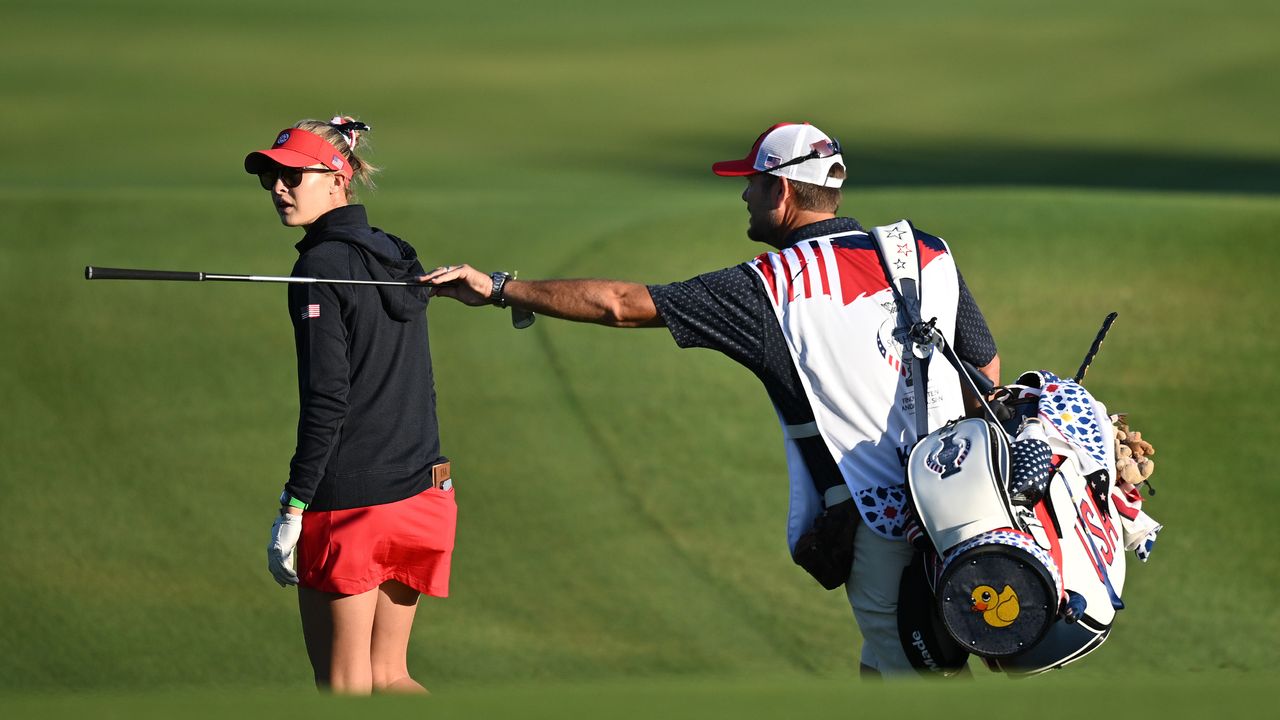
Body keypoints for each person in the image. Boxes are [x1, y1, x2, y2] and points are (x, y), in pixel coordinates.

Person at [423, 122, 1000, 677]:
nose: (744, 195)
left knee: (917, 682)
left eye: (751, 182)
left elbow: (621, 304)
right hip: (967, 506)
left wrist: (500, 289)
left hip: (886, 530)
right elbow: (985, 369)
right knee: (889, 663)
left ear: (781, 190)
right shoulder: (922, 252)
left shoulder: (768, 286)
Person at [247, 116, 456, 694]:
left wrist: (293, 508)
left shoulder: (317, 267)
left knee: (345, 689)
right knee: (392, 678)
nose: (278, 188)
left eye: (293, 175)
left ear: (338, 178)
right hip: (424, 496)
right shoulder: (395, 254)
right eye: (270, 177)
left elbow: (326, 400)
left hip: (354, 507)